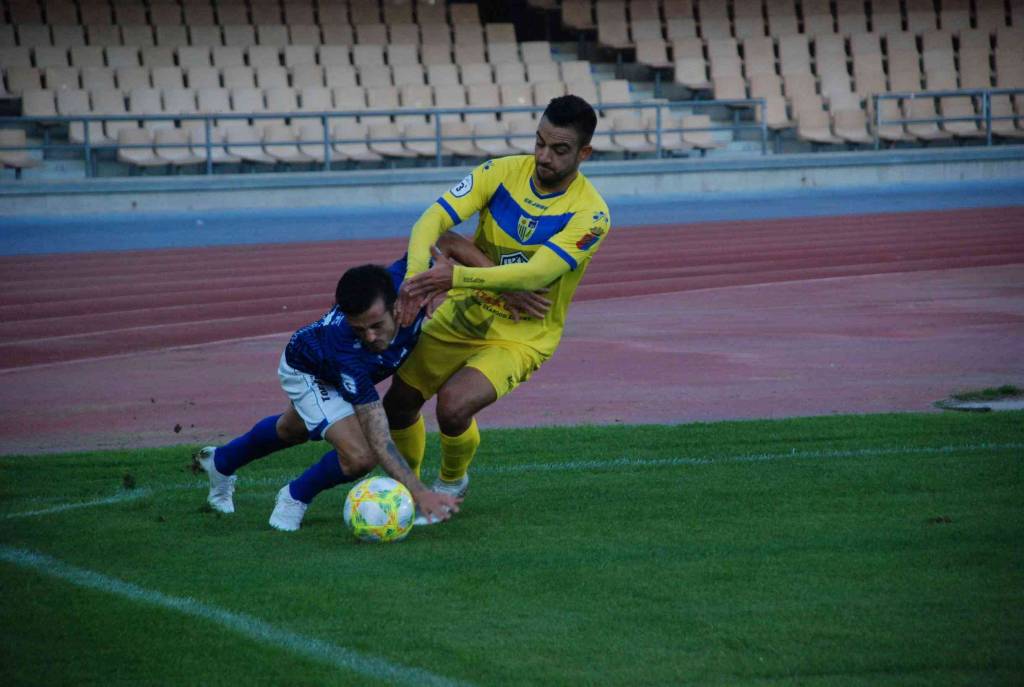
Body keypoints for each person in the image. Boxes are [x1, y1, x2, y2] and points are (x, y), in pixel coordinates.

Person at [193, 232, 547, 531]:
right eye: (359, 328)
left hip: (334, 366)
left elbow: (446, 240)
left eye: (376, 325)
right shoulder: (345, 350)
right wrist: (417, 491)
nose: (370, 337)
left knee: (291, 430)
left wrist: (503, 284)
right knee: (358, 456)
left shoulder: (406, 280)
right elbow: (378, 435)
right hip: (309, 370)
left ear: (398, 300)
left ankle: (221, 462)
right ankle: (295, 495)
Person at [385, 94, 611, 522]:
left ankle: (452, 481)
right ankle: (404, 489)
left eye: (559, 149)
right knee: (397, 404)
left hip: (525, 332)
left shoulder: (591, 215)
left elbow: (534, 276)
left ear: (584, 153)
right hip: (466, 313)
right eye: (539, 142)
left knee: (452, 406)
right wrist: (415, 283)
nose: (544, 156)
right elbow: (430, 223)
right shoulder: (500, 172)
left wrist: (454, 277)